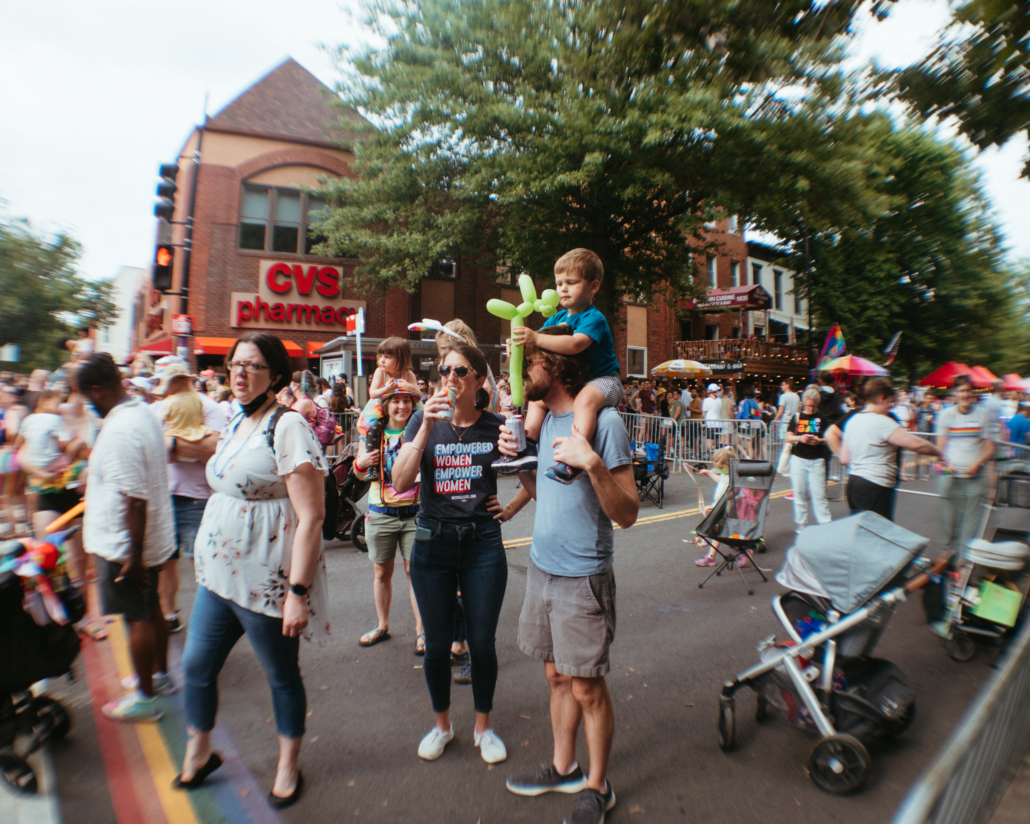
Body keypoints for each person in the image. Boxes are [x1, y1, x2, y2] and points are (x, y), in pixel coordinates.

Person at [176, 333, 328, 808]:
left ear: (276, 376)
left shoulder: (287, 427)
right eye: (234, 364)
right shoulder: (238, 419)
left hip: (266, 581)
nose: (239, 372)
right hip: (217, 576)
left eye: (252, 365)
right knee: (196, 667)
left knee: (281, 676)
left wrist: (298, 593)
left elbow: (312, 517)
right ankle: (199, 752)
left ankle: (288, 764)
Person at [499, 326, 638, 824]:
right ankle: (564, 766)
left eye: (527, 363)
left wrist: (594, 463)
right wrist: (517, 459)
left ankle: (597, 787)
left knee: (586, 688)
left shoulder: (603, 423)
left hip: (583, 577)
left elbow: (627, 514)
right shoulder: (544, 422)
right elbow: (545, 493)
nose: (520, 374)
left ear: (555, 366)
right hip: (542, 569)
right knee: (556, 676)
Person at [390, 343, 508, 764]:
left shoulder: (496, 426)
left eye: (461, 372)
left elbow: (533, 478)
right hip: (432, 540)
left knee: (481, 642)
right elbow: (400, 481)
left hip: (482, 543)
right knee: (438, 645)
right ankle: (442, 725)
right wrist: (425, 426)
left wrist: (510, 508)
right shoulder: (424, 420)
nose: (451, 379)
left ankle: (484, 727)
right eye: (445, 371)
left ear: (478, 380)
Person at [76, 353, 175, 722]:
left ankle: (145, 699)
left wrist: (132, 560)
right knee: (151, 610)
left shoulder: (120, 429)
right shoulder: (142, 412)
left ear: (98, 390)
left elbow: (134, 501)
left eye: (87, 397)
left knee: (137, 618)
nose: (87, 405)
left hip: (126, 546)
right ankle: (159, 676)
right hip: (145, 540)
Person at [504, 249, 623, 484]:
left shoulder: (593, 317)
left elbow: (576, 344)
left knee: (584, 401)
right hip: (578, 378)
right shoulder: (556, 319)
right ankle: (527, 446)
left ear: (594, 286)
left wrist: (536, 339)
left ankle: (574, 457)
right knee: (538, 400)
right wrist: (518, 345)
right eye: (559, 283)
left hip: (604, 379)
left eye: (571, 282)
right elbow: (539, 346)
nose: (563, 289)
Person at [150, 358, 224, 634]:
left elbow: (212, 449)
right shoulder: (155, 408)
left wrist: (169, 441)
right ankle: (169, 614)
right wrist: (187, 446)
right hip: (161, 496)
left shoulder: (209, 406)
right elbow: (147, 450)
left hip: (197, 497)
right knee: (165, 562)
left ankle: (214, 622)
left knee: (203, 562)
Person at [353, 385, 424, 652]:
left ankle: (422, 631)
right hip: (381, 512)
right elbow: (358, 474)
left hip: (415, 513)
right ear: (385, 405)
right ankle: (382, 626)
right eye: (395, 401)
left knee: (414, 572)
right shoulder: (373, 434)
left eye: (407, 401)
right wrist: (361, 463)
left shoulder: (419, 431)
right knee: (382, 572)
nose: (402, 406)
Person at [839, 378, 942, 520]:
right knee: (877, 535)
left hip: (853, 484)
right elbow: (917, 444)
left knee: (860, 533)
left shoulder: (852, 420)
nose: (891, 407)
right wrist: (940, 453)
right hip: (874, 486)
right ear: (881, 399)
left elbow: (844, 459)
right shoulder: (881, 421)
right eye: (890, 402)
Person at [936, 375, 994, 557]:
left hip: (974, 479)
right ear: (955, 393)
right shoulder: (946, 414)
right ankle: (945, 564)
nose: (965, 394)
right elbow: (940, 451)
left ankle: (960, 568)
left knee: (967, 528)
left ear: (973, 393)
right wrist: (947, 464)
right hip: (950, 477)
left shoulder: (983, 414)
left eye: (968, 390)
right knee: (948, 526)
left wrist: (978, 462)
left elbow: (990, 447)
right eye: (961, 391)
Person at [360, 338, 420, 481]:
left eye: (387, 357)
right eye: (381, 356)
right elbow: (373, 393)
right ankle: (372, 467)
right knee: (374, 429)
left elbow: (418, 394)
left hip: (406, 406)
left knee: (417, 425)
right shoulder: (380, 372)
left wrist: (409, 387)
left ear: (400, 359)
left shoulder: (408, 374)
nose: (382, 360)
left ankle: (416, 465)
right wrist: (387, 388)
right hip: (380, 406)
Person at [785, 386, 831, 532]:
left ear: (818, 405)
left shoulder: (822, 418)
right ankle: (802, 524)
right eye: (809, 405)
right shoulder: (797, 417)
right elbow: (788, 438)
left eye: (814, 406)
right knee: (799, 493)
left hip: (817, 460)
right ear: (803, 403)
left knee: (819, 495)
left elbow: (829, 437)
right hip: (798, 458)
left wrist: (820, 440)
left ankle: (825, 524)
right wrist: (800, 438)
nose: (811, 409)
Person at [693, 446, 740, 566]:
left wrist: (714, 506)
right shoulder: (727, 474)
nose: (719, 470)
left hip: (727, 510)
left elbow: (729, 496)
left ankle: (711, 557)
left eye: (720, 468)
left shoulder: (734, 478)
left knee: (719, 532)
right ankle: (744, 551)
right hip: (722, 508)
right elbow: (720, 480)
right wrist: (709, 473)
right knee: (725, 534)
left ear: (728, 464)